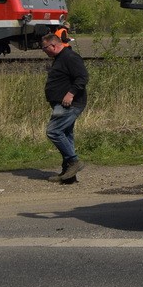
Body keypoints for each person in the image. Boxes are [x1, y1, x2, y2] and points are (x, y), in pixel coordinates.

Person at [41, 33, 88, 184]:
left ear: (53, 45)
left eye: (45, 48)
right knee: (66, 135)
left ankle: (74, 162)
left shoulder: (69, 57)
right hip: (62, 104)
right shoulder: (59, 58)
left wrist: (70, 94)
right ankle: (69, 175)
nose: (44, 51)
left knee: (54, 131)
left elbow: (82, 77)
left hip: (70, 104)